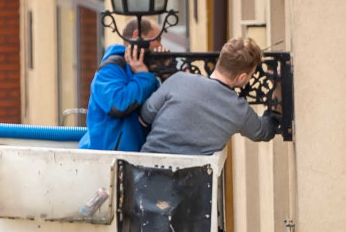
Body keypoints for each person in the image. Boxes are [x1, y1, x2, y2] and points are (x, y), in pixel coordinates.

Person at [140, 37, 279, 155]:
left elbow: (145, 116)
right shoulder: (238, 110)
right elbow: (263, 131)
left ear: (221, 61)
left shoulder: (179, 79)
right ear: (242, 77)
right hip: (189, 184)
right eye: (251, 74)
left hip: (144, 174)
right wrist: (277, 94)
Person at [78, 18, 164, 152]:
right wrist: (144, 76)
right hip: (106, 159)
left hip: (135, 158)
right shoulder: (111, 68)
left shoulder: (147, 71)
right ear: (137, 36)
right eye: (157, 39)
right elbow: (118, 103)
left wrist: (165, 73)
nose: (160, 46)